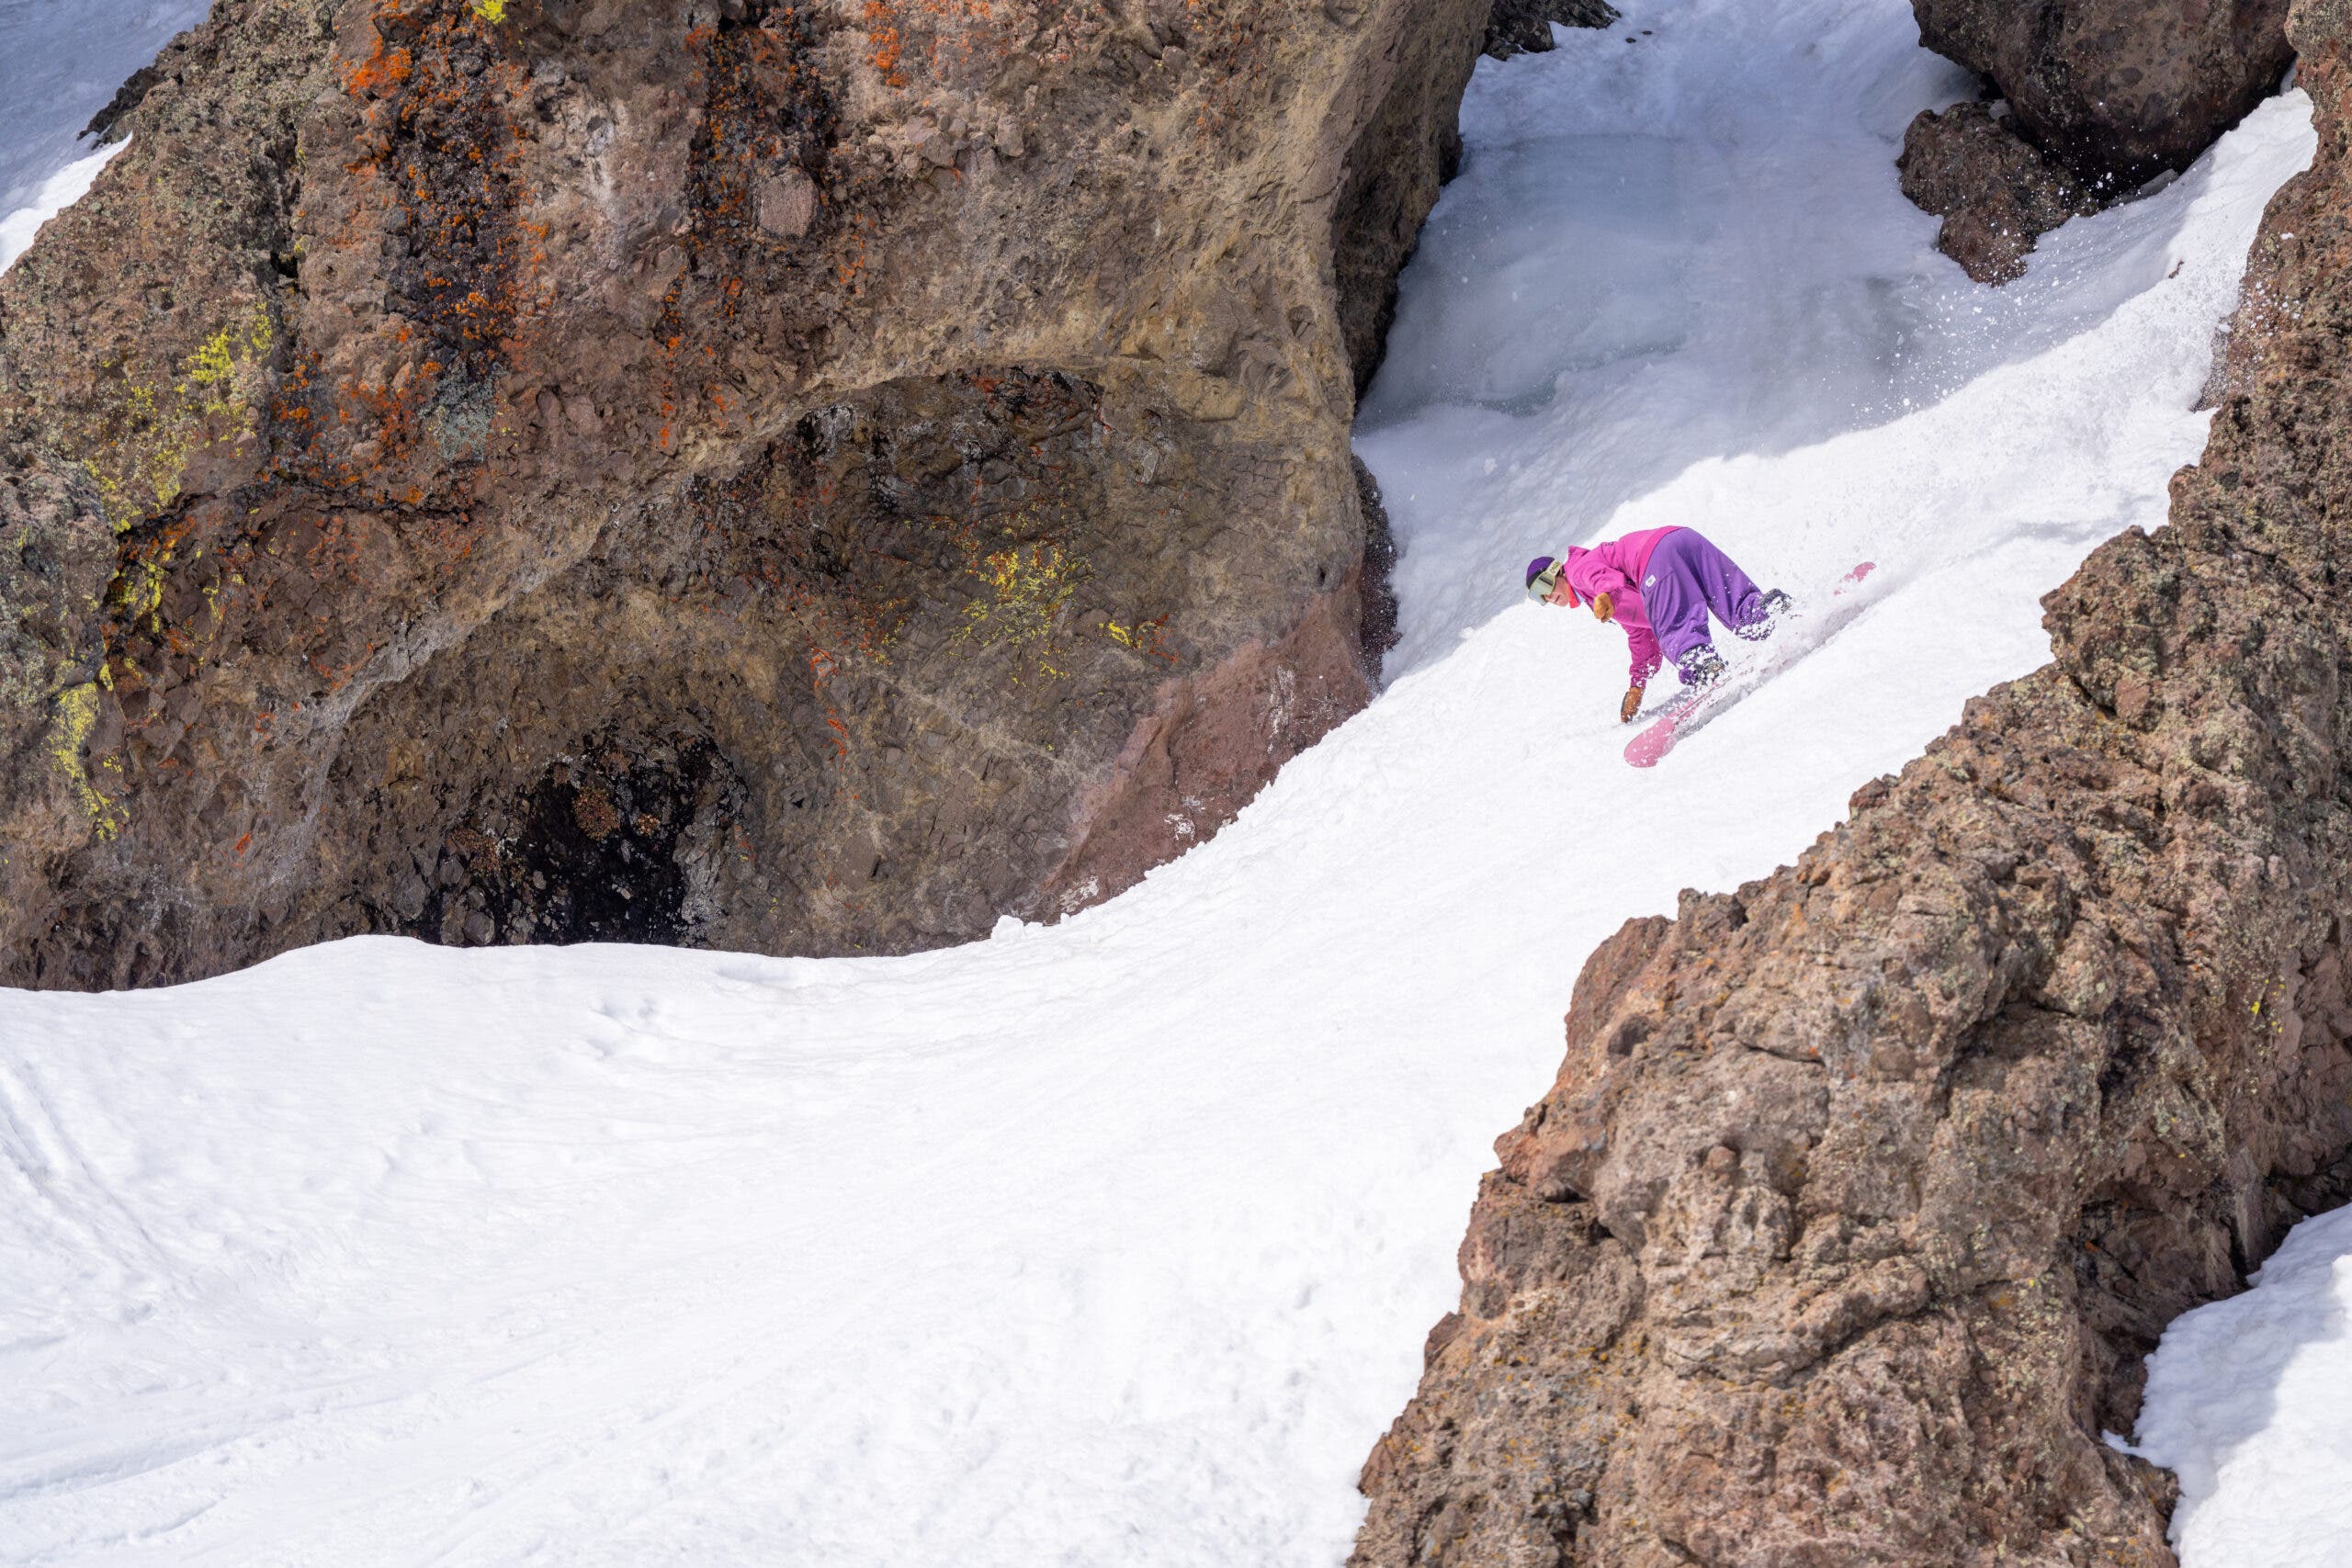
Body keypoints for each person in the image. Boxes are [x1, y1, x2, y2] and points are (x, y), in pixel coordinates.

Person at [1525, 526, 1789, 723]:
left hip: (1654, 558)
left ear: (1557, 570)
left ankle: (1702, 664)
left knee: (1674, 626)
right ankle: (1769, 612)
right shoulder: (1594, 596)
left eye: (1544, 585)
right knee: (1731, 600)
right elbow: (1640, 633)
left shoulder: (1577, 570)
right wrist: (1637, 685)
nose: (1548, 596)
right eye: (1539, 597)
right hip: (1683, 539)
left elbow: (1605, 580)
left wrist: (1606, 595)